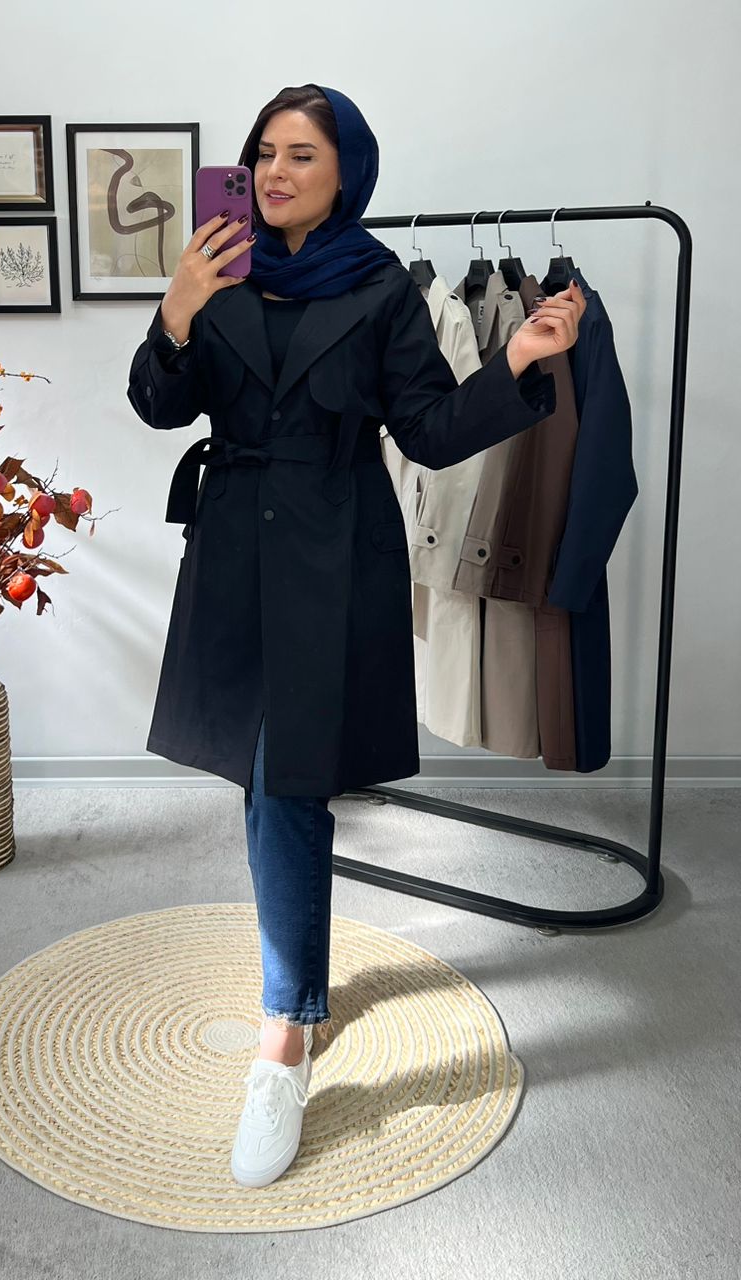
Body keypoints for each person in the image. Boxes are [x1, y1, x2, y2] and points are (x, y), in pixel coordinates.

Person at [128, 83, 585, 1187]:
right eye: (263, 153)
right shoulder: (218, 269)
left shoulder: (380, 285)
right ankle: (297, 1000)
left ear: (348, 173)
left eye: (301, 154)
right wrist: (176, 313)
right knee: (265, 775)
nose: (275, 172)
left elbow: (427, 429)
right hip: (233, 549)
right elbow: (158, 405)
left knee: (286, 780)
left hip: (336, 551)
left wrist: (516, 361)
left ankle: (284, 1038)